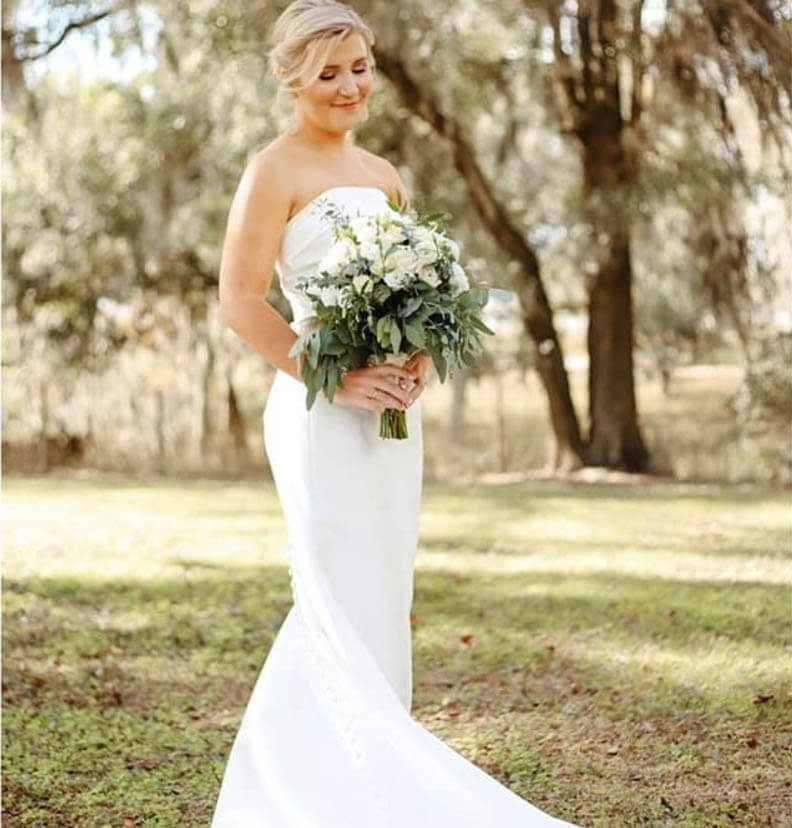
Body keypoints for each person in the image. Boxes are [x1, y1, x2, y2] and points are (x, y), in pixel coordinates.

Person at [211, 2, 578, 825]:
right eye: (329, 72)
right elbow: (241, 301)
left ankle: (370, 779)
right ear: (294, 79)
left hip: (392, 417)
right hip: (317, 408)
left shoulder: (385, 176)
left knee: (382, 587)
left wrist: (413, 360)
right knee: (334, 592)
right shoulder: (272, 170)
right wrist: (334, 380)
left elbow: (413, 297)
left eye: (359, 68)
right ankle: (312, 790)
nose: (349, 86)